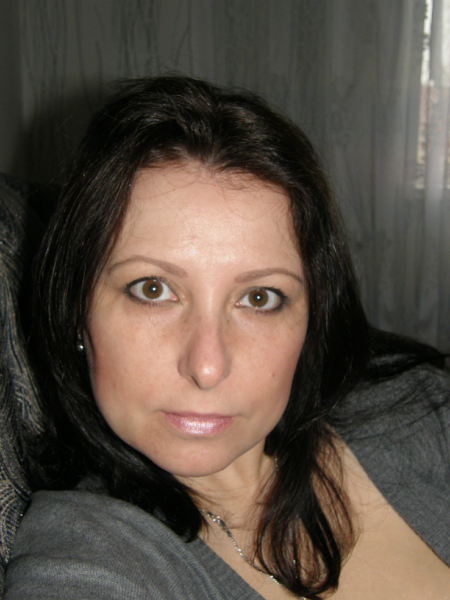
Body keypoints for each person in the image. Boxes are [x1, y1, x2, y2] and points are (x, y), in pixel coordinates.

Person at [4, 76, 450, 599]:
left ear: (313, 316)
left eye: (259, 298)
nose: (207, 366)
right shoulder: (92, 555)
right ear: (75, 310)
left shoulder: (424, 411)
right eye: (153, 289)